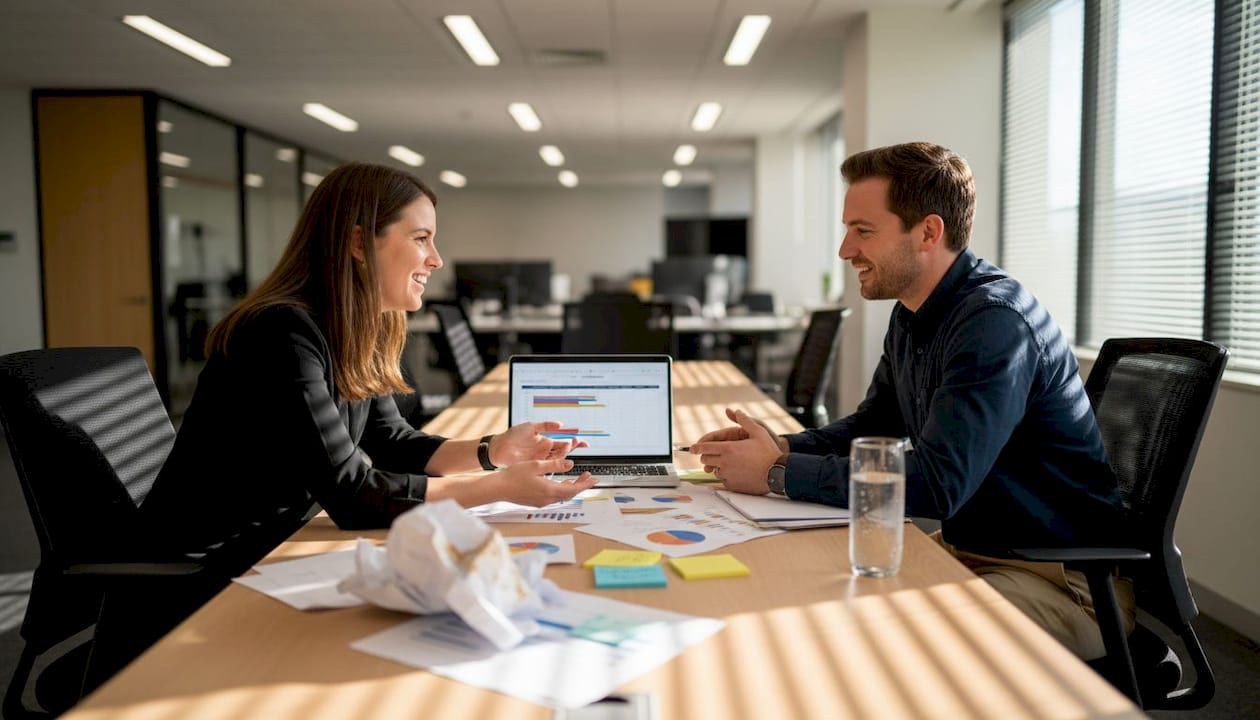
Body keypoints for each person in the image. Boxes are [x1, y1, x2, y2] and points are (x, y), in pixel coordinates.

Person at [689, 142, 1132, 660]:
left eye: (864, 231)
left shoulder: (994, 324)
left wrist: (775, 474)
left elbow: (940, 485)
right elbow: (873, 424)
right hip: (980, 552)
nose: (845, 250)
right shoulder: (915, 313)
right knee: (814, 599)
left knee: (871, 640)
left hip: (1062, 582)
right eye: (847, 229)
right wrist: (775, 447)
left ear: (928, 232)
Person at [143, 162, 596, 582]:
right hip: (210, 565)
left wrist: (492, 450)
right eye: (421, 238)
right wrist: (493, 487)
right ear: (359, 244)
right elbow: (353, 495)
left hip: (283, 542)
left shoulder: (360, 326)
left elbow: (389, 443)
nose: (436, 259)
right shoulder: (280, 332)